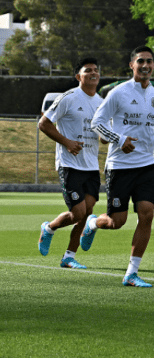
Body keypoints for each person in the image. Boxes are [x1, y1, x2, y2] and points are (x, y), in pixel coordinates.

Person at [84, 46, 154, 288]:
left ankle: (131, 273)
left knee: (146, 214)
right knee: (117, 221)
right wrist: (119, 139)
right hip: (119, 166)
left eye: (150, 62)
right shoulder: (118, 93)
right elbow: (97, 123)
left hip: (147, 165)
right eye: (141, 61)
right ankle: (92, 223)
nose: (146, 65)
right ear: (132, 66)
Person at [37, 58, 103, 269]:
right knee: (78, 213)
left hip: (91, 166)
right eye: (88, 71)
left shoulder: (101, 102)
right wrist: (66, 142)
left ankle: (68, 257)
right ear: (79, 77)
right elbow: (44, 123)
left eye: (96, 70)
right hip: (70, 165)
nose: (93, 73)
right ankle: (49, 228)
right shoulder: (68, 97)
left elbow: (103, 134)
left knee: (88, 210)